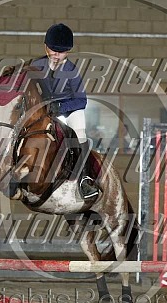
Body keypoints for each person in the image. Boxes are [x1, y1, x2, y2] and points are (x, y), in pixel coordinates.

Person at [31, 23, 98, 200]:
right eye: (53, 50)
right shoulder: (36, 66)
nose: (56, 55)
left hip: (70, 110)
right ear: (46, 47)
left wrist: (60, 108)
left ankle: (85, 179)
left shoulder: (72, 70)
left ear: (67, 52)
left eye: (61, 52)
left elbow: (81, 100)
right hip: (47, 112)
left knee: (80, 132)